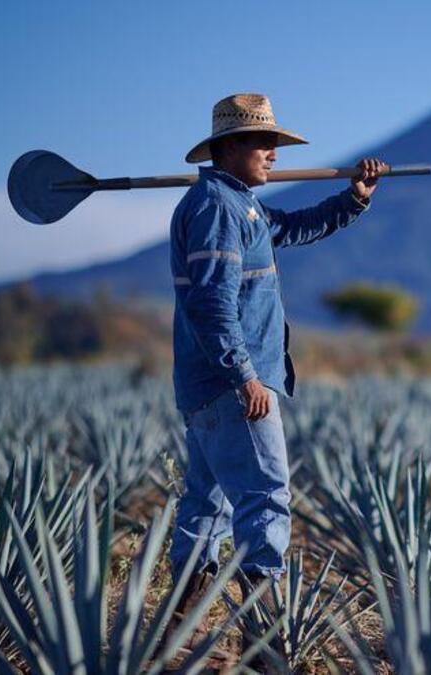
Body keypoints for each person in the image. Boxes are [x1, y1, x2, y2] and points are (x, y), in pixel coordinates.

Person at [165, 93, 384, 644]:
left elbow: (293, 227)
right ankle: (263, 642)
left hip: (206, 385)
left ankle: (172, 634)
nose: (274, 154)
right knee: (265, 498)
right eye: (264, 143)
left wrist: (353, 199)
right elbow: (212, 303)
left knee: (206, 506)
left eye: (274, 144)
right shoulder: (218, 208)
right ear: (228, 147)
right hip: (232, 386)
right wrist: (245, 375)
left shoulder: (238, 206)